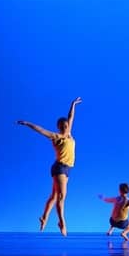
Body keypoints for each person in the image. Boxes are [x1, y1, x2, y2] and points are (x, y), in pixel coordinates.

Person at [17, 97, 82, 236]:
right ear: (59, 127)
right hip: (60, 168)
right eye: (63, 126)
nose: (65, 128)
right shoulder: (56, 136)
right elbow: (40, 130)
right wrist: (27, 123)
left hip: (68, 169)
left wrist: (73, 104)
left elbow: (70, 116)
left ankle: (44, 217)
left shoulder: (69, 135)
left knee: (54, 196)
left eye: (66, 126)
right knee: (61, 196)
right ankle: (61, 222)